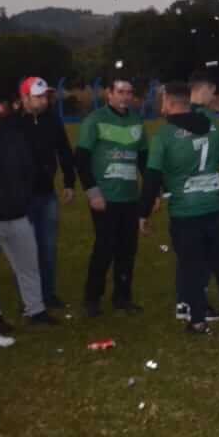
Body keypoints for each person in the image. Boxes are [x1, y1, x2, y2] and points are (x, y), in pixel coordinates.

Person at [141, 81, 219, 331]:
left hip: (186, 209)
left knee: (191, 264)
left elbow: (153, 175)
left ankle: (197, 319)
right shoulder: (209, 124)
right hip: (213, 202)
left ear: (169, 102)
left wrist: (143, 213)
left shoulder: (164, 135)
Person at [76, 73, 147, 316]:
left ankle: (123, 297)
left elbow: (145, 160)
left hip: (129, 197)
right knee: (104, 249)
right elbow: (82, 159)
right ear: (109, 94)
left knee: (127, 250)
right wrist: (92, 192)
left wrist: (151, 192)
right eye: (121, 92)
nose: (126, 97)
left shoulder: (137, 121)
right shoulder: (95, 120)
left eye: (129, 92)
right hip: (105, 198)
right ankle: (92, 298)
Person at [0, 95, 52, 336]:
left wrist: (22, 198)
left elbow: (28, 169)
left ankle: (36, 310)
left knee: (28, 265)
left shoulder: (12, 137)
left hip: (17, 215)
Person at [14, 77, 76, 311]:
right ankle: (29, 298)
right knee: (24, 251)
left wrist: (69, 182)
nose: (44, 100)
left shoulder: (52, 120)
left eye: (45, 96)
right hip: (21, 196)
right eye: (38, 96)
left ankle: (48, 294)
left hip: (47, 194)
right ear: (25, 98)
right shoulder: (14, 124)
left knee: (48, 248)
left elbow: (64, 150)